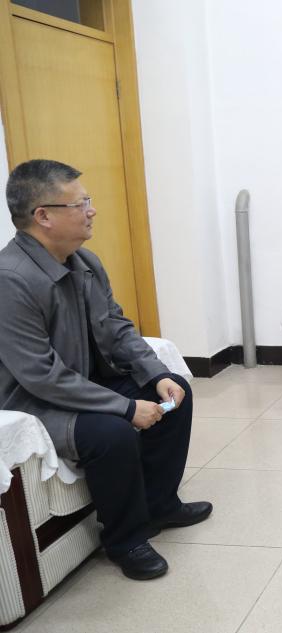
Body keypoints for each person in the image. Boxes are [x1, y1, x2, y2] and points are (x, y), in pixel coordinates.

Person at [0, 159, 212, 580]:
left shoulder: (85, 261)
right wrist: (125, 407)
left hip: (82, 382)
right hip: (35, 401)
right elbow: (41, 376)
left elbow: (116, 328)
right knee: (112, 432)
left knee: (175, 394)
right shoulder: (11, 279)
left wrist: (157, 375)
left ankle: (160, 505)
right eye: (80, 203)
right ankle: (126, 540)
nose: (91, 210)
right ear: (43, 216)